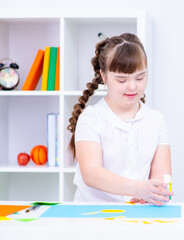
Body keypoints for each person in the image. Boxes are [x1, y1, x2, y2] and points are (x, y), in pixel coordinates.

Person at [67, 33, 173, 206]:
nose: (132, 86)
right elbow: (91, 173)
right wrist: (139, 189)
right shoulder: (91, 118)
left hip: (138, 216)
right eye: (121, 79)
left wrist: (155, 194)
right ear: (104, 76)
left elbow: (161, 176)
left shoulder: (156, 120)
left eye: (140, 77)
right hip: (93, 217)